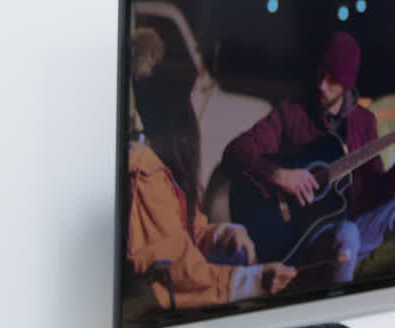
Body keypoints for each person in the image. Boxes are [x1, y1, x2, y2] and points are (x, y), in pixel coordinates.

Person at [223, 30, 395, 285]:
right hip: (301, 238)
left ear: (347, 84)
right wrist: (278, 175)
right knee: (347, 232)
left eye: (332, 81)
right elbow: (235, 153)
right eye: (321, 74)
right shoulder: (292, 113)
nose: (321, 85)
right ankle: (335, 310)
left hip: (348, 227)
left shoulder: (364, 122)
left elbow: (374, 193)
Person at [125, 27, 297, 314]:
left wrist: (222, 233)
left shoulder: (158, 164)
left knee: (237, 254)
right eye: (188, 99)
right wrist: (254, 280)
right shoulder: (144, 176)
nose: (194, 111)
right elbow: (176, 269)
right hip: (156, 307)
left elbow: (185, 228)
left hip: (177, 288)